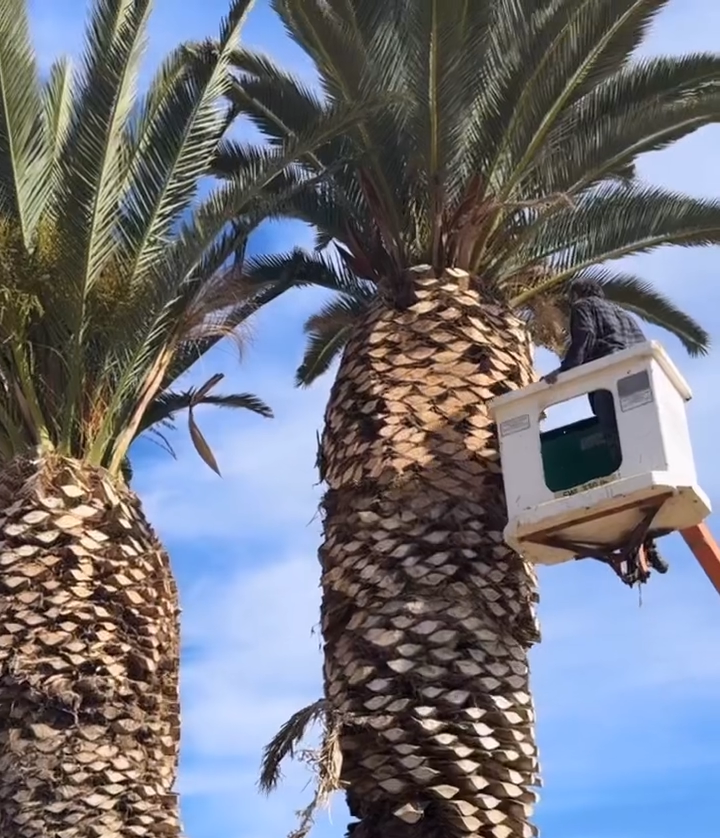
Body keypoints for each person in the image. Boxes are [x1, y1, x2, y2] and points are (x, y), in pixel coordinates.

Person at [542, 277, 669, 577]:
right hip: (639, 384)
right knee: (640, 454)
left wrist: (564, 371)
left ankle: (640, 535)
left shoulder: (585, 306)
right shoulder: (625, 315)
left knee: (617, 449)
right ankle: (648, 545)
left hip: (609, 380)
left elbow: (584, 337)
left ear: (577, 295)